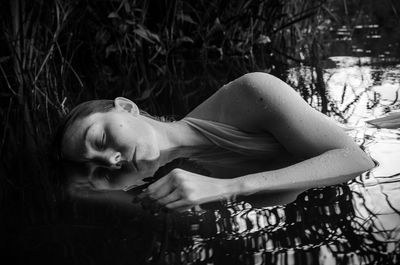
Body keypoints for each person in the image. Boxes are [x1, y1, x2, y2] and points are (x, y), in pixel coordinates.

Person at [55, 72, 375, 211]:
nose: (110, 160)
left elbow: (356, 159)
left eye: (100, 138)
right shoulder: (187, 185)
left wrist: (233, 186)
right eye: (97, 165)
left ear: (127, 107)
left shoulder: (250, 93)